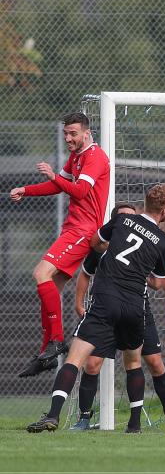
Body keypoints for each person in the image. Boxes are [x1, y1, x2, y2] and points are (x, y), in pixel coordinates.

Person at [26, 184, 165, 433]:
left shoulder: (122, 221)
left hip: (105, 300)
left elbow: (95, 242)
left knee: (75, 359)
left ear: (145, 204)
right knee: (133, 362)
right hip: (134, 305)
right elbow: (159, 283)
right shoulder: (163, 241)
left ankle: (53, 415)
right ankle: (134, 425)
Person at [70, 202, 165, 431]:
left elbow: (163, 276)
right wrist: (78, 303)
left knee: (154, 362)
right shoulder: (103, 250)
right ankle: (84, 418)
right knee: (92, 364)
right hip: (106, 309)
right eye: (125, 218)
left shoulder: (146, 246)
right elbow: (85, 274)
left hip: (137, 311)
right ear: (115, 224)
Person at [11, 112, 110, 377]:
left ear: (87, 133)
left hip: (84, 229)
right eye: (66, 133)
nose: (68, 138)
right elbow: (58, 186)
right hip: (72, 228)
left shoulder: (95, 157)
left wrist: (54, 175)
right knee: (50, 288)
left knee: (40, 273)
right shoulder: (77, 156)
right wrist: (27, 189)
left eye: (73, 134)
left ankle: (55, 342)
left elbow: (79, 191)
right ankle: (47, 354)